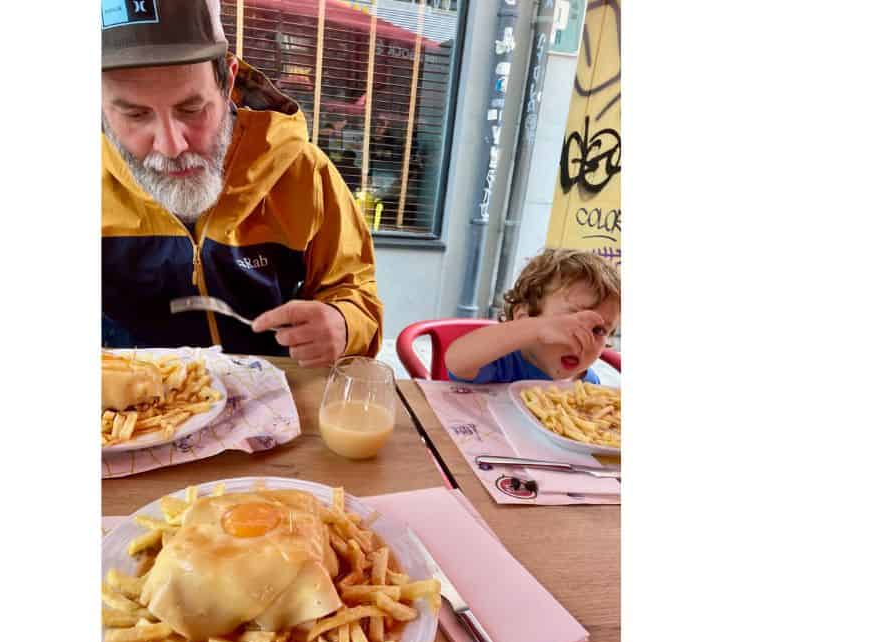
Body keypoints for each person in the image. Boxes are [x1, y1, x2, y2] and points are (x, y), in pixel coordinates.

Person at [101, 0, 382, 367]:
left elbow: (354, 290)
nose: (171, 146)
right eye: (135, 114)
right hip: (128, 412)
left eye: (192, 109)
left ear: (228, 81)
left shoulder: (301, 172)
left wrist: (344, 325)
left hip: (273, 405)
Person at [445, 248, 620, 384]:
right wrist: (537, 329)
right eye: (573, 322)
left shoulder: (587, 385)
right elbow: (456, 361)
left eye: (599, 330)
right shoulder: (501, 363)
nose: (584, 338)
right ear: (524, 318)